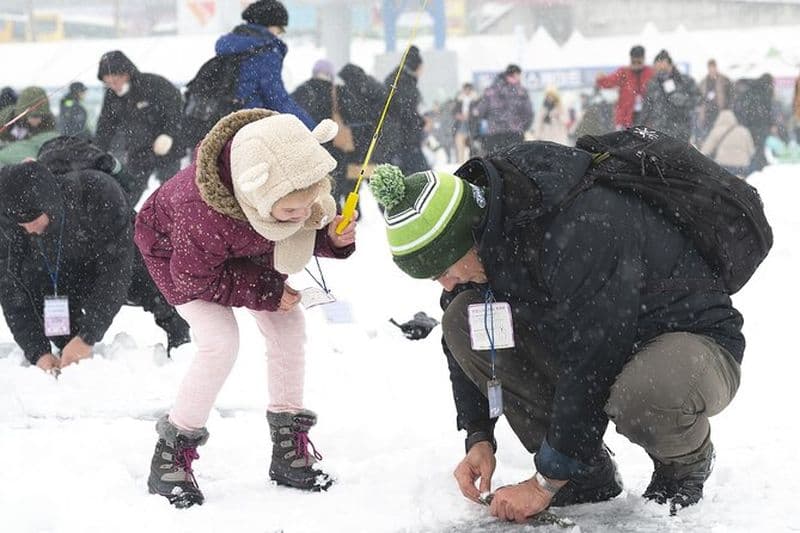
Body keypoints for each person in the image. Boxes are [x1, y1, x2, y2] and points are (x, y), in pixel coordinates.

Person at [368, 140, 749, 520]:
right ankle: (584, 474)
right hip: (599, 341)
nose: (447, 284)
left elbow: (595, 355)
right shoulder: (486, 236)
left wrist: (545, 482)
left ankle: (683, 465)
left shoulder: (578, 223)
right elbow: (469, 337)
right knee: (462, 319)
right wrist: (479, 435)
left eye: (445, 270)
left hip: (691, 340)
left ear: (469, 236)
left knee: (644, 393)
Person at [134, 109, 356, 508]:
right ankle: (170, 457)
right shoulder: (198, 210)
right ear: (257, 197)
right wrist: (266, 291)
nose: (302, 216)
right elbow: (193, 280)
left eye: (308, 206)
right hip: (179, 257)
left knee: (289, 325)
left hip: (243, 242)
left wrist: (331, 240)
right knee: (220, 342)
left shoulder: (289, 175)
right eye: (291, 211)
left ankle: (288, 451)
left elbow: (297, 229)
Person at [0, 161, 189, 374]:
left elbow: (116, 272)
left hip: (119, 259)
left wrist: (89, 335)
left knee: (150, 276)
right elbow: (10, 290)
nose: (28, 227)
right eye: (20, 221)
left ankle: (179, 337)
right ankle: (68, 347)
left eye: (33, 218)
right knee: (38, 286)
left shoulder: (99, 192)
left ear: (48, 203)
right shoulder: (9, 223)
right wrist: (38, 352)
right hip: (64, 274)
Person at [215, 0, 314, 129]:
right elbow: (277, 99)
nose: (281, 32)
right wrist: (310, 127)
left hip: (225, 123)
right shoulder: (265, 51)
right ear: (269, 24)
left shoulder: (234, 46)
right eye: (280, 27)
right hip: (252, 125)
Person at [96, 50, 183, 193]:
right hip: (138, 151)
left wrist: (168, 134)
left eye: (115, 81)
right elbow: (105, 126)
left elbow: (175, 109)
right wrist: (98, 152)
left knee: (171, 192)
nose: (113, 86)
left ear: (126, 74)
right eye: (108, 83)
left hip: (167, 148)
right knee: (130, 192)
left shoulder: (154, 84)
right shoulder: (112, 96)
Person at [291, 59, 349, 205]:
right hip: (334, 145)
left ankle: (314, 212)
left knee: (311, 185)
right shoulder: (337, 91)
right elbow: (350, 116)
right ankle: (333, 211)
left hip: (308, 144)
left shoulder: (302, 90)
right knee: (334, 184)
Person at [376, 45, 428, 174]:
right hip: (403, 140)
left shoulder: (395, 78)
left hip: (393, 138)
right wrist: (422, 122)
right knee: (422, 177)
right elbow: (406, 112)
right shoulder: (405, 83)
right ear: (416, 66)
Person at [641, 49, 701, 142]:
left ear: (670, 65)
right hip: (659, 132)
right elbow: (646, 108)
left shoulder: (685, 81)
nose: (661, 72)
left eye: (664, 69)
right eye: (658, 69)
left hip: (681, 131)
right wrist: (640, 126)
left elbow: (698, 99)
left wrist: (683, 100)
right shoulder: (652, 84)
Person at [473, 64, 533, 155]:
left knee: (494, 162)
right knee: (513, 162)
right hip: (514, 133)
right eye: (519, 75)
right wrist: (523, 127)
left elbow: (480, 111)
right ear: (515, 74)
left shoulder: (491, 90)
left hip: (493, 134)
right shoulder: (521, 91)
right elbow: (528, 113)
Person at [595, 45, 653, 129]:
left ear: (643, 59)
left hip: (646, 117)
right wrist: (600, 79)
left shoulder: (650, 72)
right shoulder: (624, 72)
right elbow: (609, 82)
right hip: (626, 118)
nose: (636, 64)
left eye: (639, 62)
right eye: (634, 62)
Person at [0, 86, 59, 166]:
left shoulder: (48, 123)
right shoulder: (5, 119)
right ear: (23, 113)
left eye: (42, 116)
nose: (39, 120)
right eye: (35, 116)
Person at [700, 109, 755, 176]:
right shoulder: (743, 131)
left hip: (723, 163)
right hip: (741, 165)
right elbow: (752, 151)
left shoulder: (716, 131)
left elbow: (706, 150)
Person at [696, 59, 733, 142]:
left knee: (721, 135)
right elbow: (699, 97)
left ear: (716, 67)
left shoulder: (724, 80)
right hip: (707, 113)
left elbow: (730, 95)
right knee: (708, 136)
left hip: (720, 112)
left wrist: (727, 107)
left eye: (713, 67)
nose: (712, 70)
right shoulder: (703, 82)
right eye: (710, 68)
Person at [453, 83, 479, 162]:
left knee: (472, 146)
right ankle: (460, 161)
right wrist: (459, 115)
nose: (467, 91)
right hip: (461, 124)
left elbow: (478, 112)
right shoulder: (459, 99)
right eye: (465, 89)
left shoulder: (476, 100)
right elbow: (454, 111)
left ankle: (471, 161)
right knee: (460, 143)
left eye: (468, 89)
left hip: (472, 125)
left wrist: (470, 115)